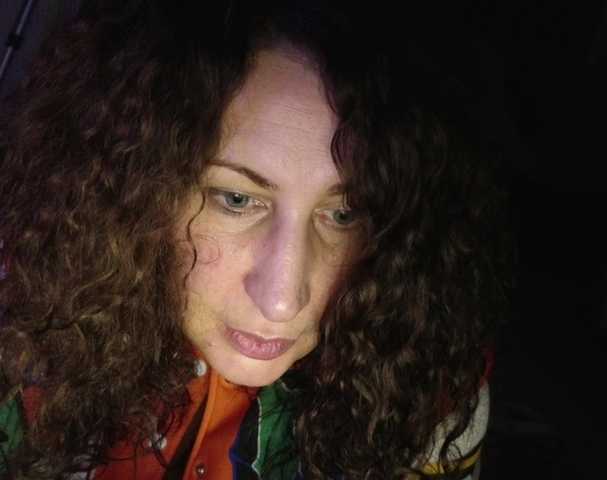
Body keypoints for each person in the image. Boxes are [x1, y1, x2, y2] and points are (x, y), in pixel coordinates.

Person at [0, 1, 511, 478]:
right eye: (236, 199)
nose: (282, 299)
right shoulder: (21, 323)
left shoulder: (430, 378)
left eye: (344, 213)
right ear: (132, 185)